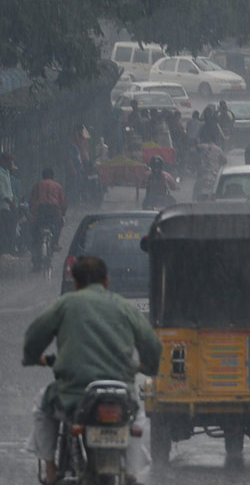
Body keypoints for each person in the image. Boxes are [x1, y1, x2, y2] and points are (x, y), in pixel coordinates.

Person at [23, 256, 162, 485]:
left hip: (75, 396)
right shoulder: (125, 307)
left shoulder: (66, 304)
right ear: (107, 281)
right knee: (136, 416)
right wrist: (148, 367)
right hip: (121, 395)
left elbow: (34, 337)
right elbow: (152, 345)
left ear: (75, 283)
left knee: (42, 406)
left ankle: (49, 470)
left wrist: (31, 357)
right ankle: (130, 470)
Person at [29, 168, 67, 270]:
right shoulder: (57, 186)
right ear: (52, 176)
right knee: (58, 224)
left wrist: (33, 214)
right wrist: (62, 214)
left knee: (36, 232)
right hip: (53, 210)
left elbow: (32, 201)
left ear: (43, 176)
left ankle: (36, 259)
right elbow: (63, 202)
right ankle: (55, 243)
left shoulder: (37, 185)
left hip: (41, 210)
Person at [192, 133, 228, 201]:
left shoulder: (201, 147)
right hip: (214, 173)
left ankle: (194, 200)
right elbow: (225, 161)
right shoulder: (218, 149)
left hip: (202, 173)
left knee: (197, 187)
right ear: (216, 141)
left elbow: (194, 153)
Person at [0, 153, 16, 256]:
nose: (12, 163)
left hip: (9, 206)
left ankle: (9, 251)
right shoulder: (0, 174)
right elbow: (2, 192)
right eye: (10, 161)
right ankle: (5, 252)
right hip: (3, 206)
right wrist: (10, 202)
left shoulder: (6, 173)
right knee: (4, 230)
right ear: (4, 161)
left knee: (10, 228)